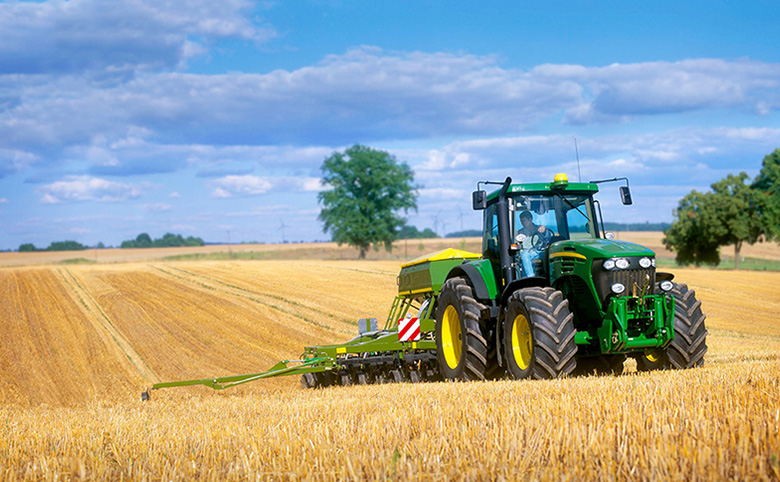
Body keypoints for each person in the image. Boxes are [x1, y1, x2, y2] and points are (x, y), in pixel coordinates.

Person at [516, 210, 551, 278]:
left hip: (538, 252)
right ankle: (531, 277)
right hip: (526, 253)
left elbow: (548, 236)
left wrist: (544, 230)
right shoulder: (520, 232)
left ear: (530, 219)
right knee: (524, 255)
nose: (522, 223)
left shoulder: (540, 229)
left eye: (524, 221)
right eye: (521, 221)